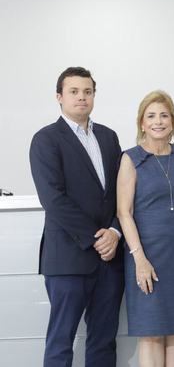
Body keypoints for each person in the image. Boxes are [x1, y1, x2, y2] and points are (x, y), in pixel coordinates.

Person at [29, 66, 124, 366]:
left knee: (104, 341)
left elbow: (122, 195)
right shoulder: (46, 139)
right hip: (68, 257)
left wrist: (115, 231)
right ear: (59, 97)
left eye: (87, 92)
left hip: (110, 259)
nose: (81, 97)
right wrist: (97, 238)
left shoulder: (109, 138)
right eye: (74, 91)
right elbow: (54, 200)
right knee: (61, 341)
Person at [117, 90, 174, 366]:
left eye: (164, 115)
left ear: (173, 122)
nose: (158, 121)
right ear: (142, 123)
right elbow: (124, 213)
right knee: (151, 333)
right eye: (151, 116)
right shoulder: (131, 159)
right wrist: (139, 259)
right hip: (147, 256)